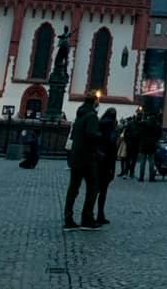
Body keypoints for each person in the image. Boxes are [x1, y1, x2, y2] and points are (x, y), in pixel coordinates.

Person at [64, 92, 101, 231]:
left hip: (76, 156)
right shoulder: (92, 116)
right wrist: (100, 135)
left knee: (73, 189)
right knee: (92, 188)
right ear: (95, 101)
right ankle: (87, 219)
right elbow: (91, 135)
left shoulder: (79, 115)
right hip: (88, 158)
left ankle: (68, 219)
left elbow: (74, 135)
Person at [96, 108, 118, 224]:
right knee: (103, 190)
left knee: (94, 189)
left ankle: (89, 213)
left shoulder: (99, 123)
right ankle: (100, 214)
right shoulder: (112, 126)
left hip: (97, 158)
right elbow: (112, 143)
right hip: (107, 160)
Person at [138, 115, 161, 182]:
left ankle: (141, 177)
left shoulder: (144, 124)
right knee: (151, 162)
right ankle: (151, 177)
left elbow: (139, 130)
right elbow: (159, 134)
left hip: (144, 144)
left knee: (142, 162)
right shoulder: (156, 125)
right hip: (152, 145)